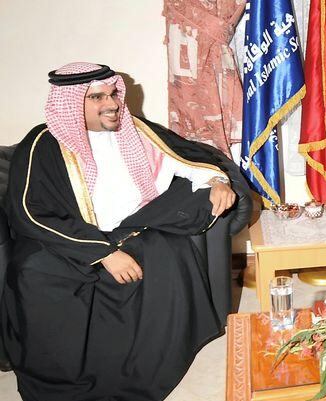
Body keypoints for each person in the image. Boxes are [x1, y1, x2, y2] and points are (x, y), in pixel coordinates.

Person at [1, 62, 237, 400]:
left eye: (112, 94)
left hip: (133, 229)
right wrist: (103, 252)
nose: (111, 104)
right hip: (69, 239)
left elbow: (187, 162)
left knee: (169, 251)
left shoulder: (135, 131)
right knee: (33, 273)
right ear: (70, 103)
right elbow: (30, 213)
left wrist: (216, 181)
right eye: (97, 97)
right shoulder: (42, 144)